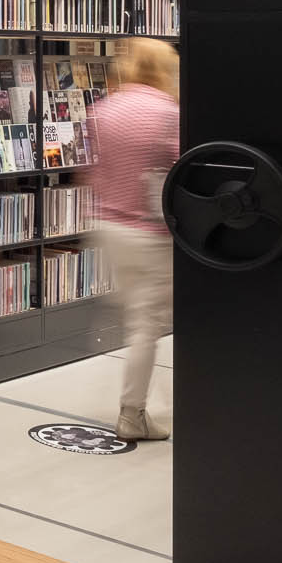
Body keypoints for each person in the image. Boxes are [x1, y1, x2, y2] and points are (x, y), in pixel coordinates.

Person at [87, 37, 181, 441]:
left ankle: (137, 403)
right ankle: (132, 413)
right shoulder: (167, 112)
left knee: (137, 318)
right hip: (150, 232)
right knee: (148, 325)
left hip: (109, 225)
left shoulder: (103, 109)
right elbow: (182, 170)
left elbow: (95, 170)